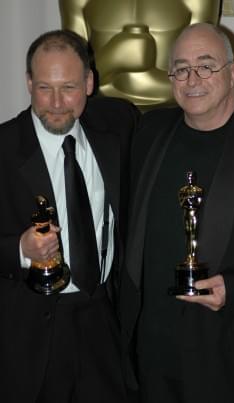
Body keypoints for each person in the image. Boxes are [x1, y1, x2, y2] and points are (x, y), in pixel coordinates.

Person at [120, 22, 234, 403]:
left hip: (228, 363)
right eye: (181, 68)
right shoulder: (148, 131)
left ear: (233, 71)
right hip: (148, 361)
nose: (192, 79)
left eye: (206, 66)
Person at [0, 29, 139, 403]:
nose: (58, 103)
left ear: (90, 83)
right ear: (28, 82)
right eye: (45, 88)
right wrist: (20, 249)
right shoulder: (4, 148)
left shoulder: (118, 123)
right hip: (30, 337)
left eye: (70, 87)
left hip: (102, 320)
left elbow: (172, 127)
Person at [58, 0, 221, 109]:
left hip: (173, 122)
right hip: (101, 123)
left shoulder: (198, 2)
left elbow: (205, 80)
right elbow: (68, 79)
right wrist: (113, 58)